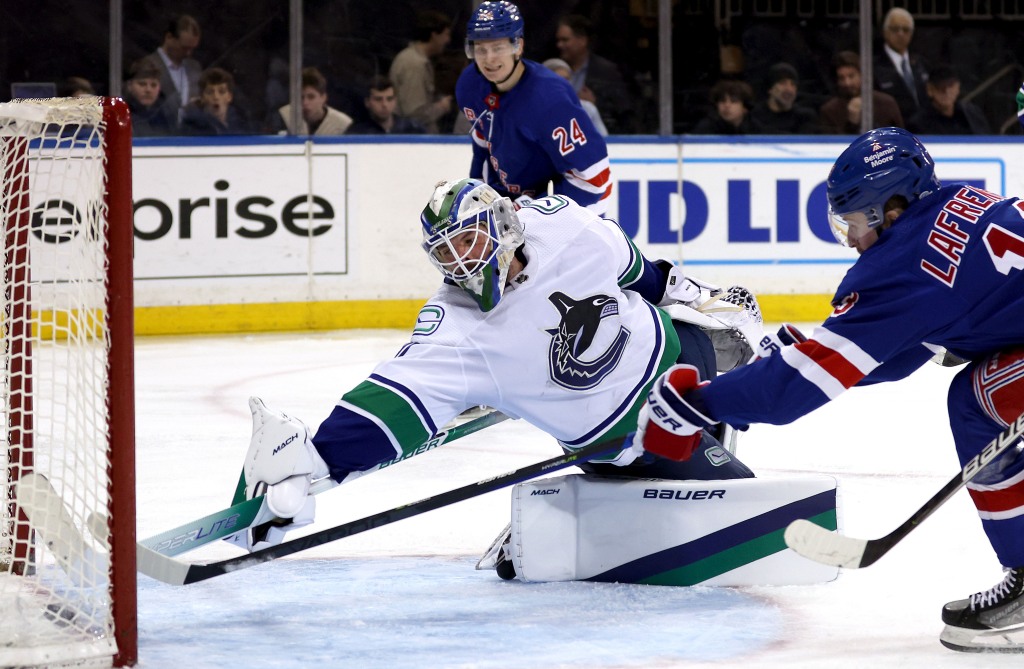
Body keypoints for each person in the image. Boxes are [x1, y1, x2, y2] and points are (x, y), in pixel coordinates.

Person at [239, 178, 780, 567]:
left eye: (468, 242)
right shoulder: (455, 329)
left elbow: (639, 274)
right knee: (749, 518)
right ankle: (562, 530)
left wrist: (706, 299)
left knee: (739, 358)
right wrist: (316, 463)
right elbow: (392, 402)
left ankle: (586, 519)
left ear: (502, 224)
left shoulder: (562, 222)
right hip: (637, 439)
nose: (461, 264)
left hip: (682, 355)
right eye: (446, 254)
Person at [636, 126, 1024, 653]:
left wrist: (696, 405)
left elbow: (790, 393)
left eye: (857, 219)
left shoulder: (904, 265)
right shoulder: (955, 202)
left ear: (892, 207)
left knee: (977, 399)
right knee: (980, 394)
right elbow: (903, 352)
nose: (851, 237)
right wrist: (821, 349)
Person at [455, 1, 612, 215]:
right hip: (512, 199)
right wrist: (479, 197)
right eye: (480, 49)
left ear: (518, 46)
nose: (489, 59)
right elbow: (483, 147)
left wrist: (539, 211)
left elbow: (594, 178)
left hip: (572, 209)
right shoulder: (470, 85)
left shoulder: (550, 99)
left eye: (498, 48)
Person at [554, 14, 634, 134]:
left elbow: (624, 116)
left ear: (582, 41)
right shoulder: (553, 69)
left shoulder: (606, 72)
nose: (559, 45)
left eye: (565, 40)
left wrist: (594, 105)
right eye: (558, 40)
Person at [388, 10, 454, 134]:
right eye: (446, 34)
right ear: (434, 35)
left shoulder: (417, 60)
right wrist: (441, 107)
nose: (448, 40)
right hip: (414, 143)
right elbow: (414, 115)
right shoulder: (413, 64)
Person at [819, 51, 903, 134]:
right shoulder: (830, 111)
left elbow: (902, 138)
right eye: (842, 78)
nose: (847, 83)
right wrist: (852, 123)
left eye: (851, 76)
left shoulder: (886, 103)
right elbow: (832, 145)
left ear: (863, 75)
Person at [141, 14, 203, 124]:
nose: (188, 53)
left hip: (192, 134)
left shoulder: (194, 68)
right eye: (184, 48)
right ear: (169, 37)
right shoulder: (146, 65)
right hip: (158, 131)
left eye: (192, 49)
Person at [873, 8, 929, 123]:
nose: (900, 34)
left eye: (906, 29)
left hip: (924, 131)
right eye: (895, 29)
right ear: (885, 31)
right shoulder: (874, 67)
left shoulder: (921, 63)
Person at [907, 65, 991, 135]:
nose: (946, 92)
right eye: (940, 87)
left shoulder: (972, 114)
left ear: (958, 87)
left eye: (950, 86)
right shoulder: (918, 124)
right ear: (930, 90)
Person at [272, 67, 352, 136]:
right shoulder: (284, 116)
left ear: (323, 98)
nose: (305, 102)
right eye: (300, 97)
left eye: (311, 97)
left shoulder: (342, 124)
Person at [541, 58, 607, 136]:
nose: (564, 84)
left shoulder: (587, 109)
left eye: (567, 79)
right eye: (558, 80)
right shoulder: (532, 111)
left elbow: (606, 141)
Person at [749, 62, 819, 134]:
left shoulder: (804, 117)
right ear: (770, 89)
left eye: (793, 84)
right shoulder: (755, 116)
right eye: (782, 83)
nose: (789, 89)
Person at [180, 67, 252, 135]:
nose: (216, 97)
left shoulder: (242, 123)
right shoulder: (192, 127)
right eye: (210, 92)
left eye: (222, 92)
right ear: (202, 97)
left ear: (229, 97)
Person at [346, 76, 426, 135]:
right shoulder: (357, 133)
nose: (384, 104)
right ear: (367, 102)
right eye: (378, 99)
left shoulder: (412, 129)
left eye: (389, 99)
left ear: (395, 101)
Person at [123, 59, 176, 136]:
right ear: (129, 86)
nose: (148, 90)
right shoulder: (121, 115)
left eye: (153, 85)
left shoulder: (167, 116)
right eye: (142, 84)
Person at [691, 79, 761, 134]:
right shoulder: (705, 128)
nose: (727, 105)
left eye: (733, 101)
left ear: (745, 108)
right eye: (722, 101)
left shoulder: (756, 129)